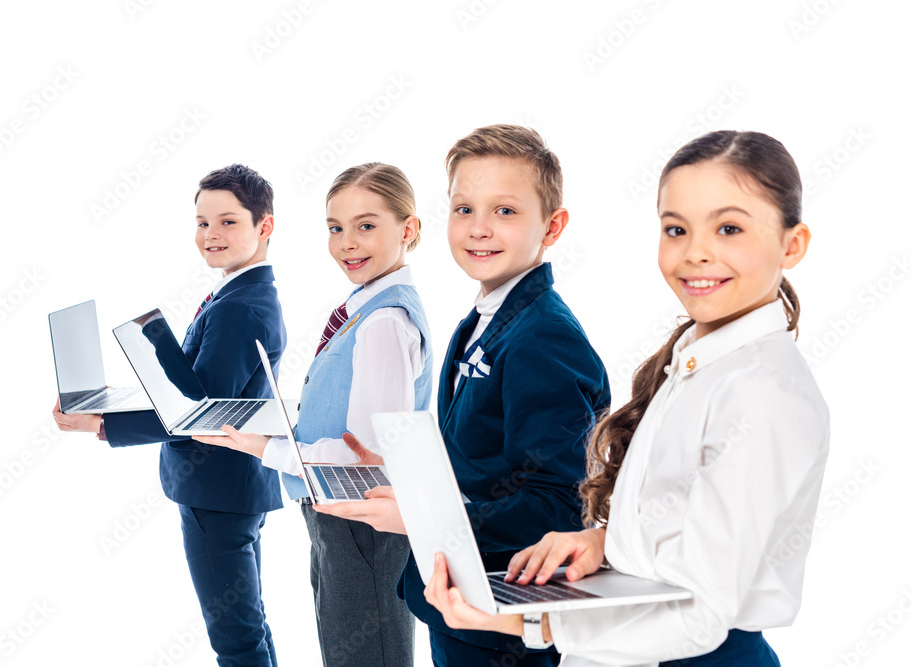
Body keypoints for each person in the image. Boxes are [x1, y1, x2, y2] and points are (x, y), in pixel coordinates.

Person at [424, 130, 830, 667]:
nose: (697, 252)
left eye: (729, 227)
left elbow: (703, 615)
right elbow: (681, 525)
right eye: (676, 229)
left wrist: (523, 621)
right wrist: (603, 542)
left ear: (792, 244)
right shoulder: (697, 361)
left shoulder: (763, 393)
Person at [319, 124, 611, 666]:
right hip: (458, 595)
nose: (479, 229)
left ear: (553, 226)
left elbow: (557, 503)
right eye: (464, 209)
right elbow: (483, 457)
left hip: (501, 612)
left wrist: (423, 514)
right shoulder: (483, 318)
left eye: (505, 211)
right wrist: (408, 473)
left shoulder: (544, 337)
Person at [194, 162, 432, 667]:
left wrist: (263, 447)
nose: (347, 242)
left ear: (407, 229)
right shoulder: (366, 306)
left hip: (361, 522)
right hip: (337, 518)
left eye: (366, 225)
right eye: (335, 228)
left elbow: (362, 457)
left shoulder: (385, 320)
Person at [52, 164, 285, 667]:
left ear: (264, 226)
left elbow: (199, 417)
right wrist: (126, 396)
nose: (210, 235)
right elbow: (196, 390)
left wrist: (102, 423)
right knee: (249, 625)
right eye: (202, 222)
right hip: (232, 488)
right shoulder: (237, 292)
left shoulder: (240, 306)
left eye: (226, 221)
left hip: (218, 491)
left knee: (236, 637)